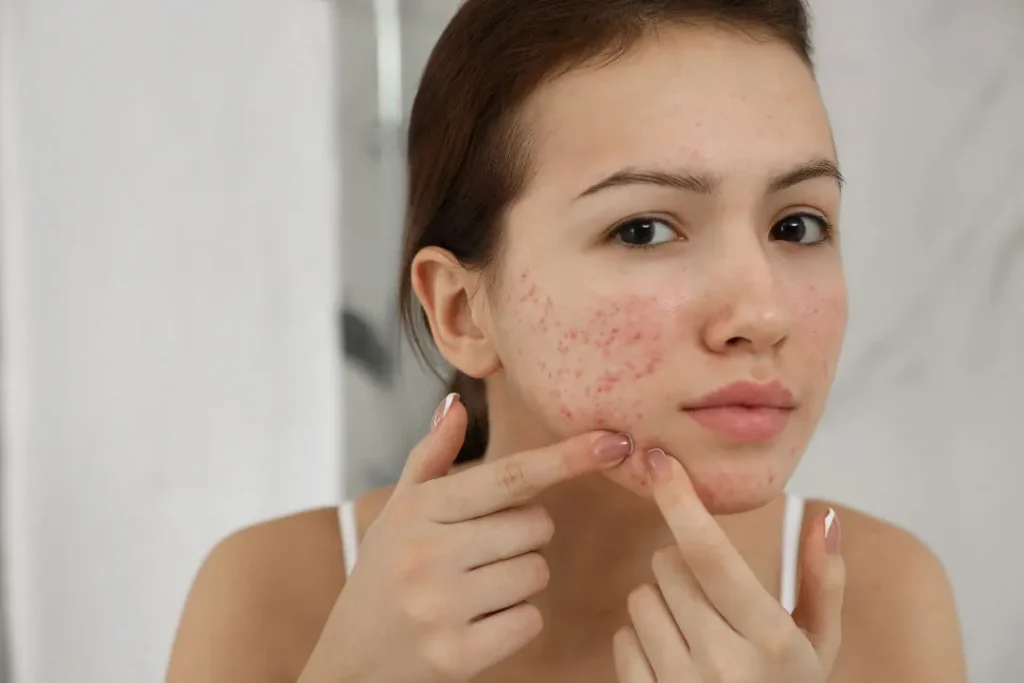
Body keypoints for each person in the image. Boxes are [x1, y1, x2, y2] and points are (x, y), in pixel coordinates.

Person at [166, 1, 966, 681]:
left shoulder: (887, 602)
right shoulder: (275, 597)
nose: (762, 313)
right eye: (645, 228)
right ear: (463, 311)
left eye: (798, 223)